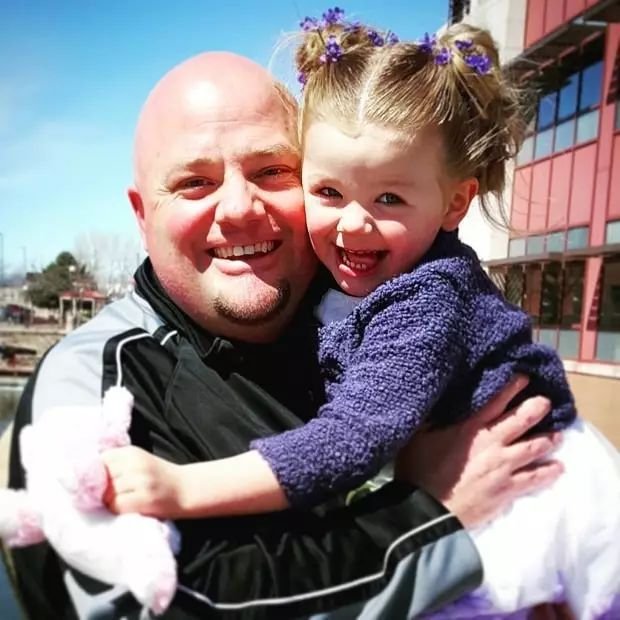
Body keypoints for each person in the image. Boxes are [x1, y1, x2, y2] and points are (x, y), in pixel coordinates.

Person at [8, 46, 563, 620]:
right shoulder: (91, 384)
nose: (239, 208)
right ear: (142, 215)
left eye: (272, 171)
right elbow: (167, 606)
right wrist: (432, 519)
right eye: (195, 182)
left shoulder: (375, 302)